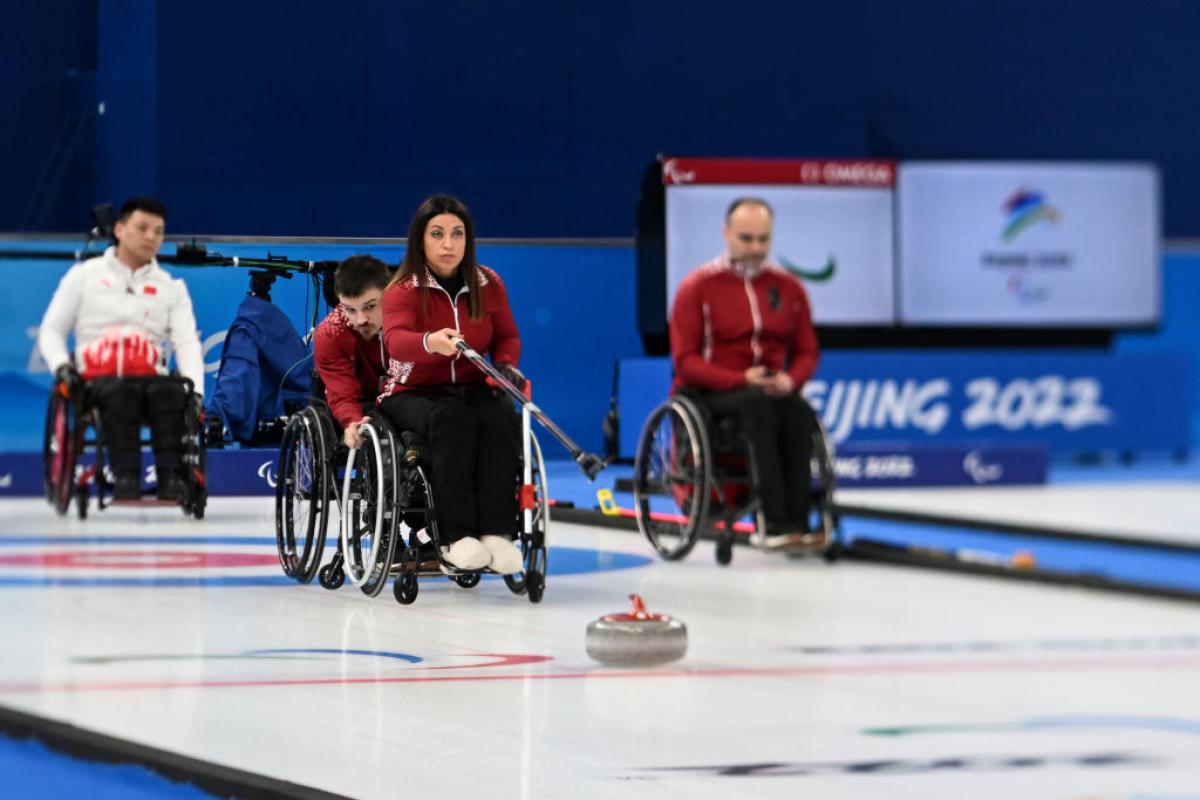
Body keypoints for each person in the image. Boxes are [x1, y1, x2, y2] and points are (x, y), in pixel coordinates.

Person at [378, 195, 525, 574]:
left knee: (499, 415)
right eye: (438, 234)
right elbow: (395, 340)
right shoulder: (402, 289)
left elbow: (507, 336)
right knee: (453, 418)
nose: (448, 244)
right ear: (420, 240)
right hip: (412, 392)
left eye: (457, 234)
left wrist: (506, 365)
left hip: (472, 387)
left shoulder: (488, 283)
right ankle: (454, 538)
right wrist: (429, 342)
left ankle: (497, 533)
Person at [669, 196, 820, 549]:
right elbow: (686, 360)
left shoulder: (789, 287)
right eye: (746, 238)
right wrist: (741, 379)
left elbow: (807, 350)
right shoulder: (697, 287)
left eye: (763, 239)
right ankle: (774, 522)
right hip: (711, 393)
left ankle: (800, 523)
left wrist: (791, 380)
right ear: (726, 233)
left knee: (799, 412)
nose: (756, 248)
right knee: (758, 408)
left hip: (768, 390)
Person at [38, 196, 203, 502]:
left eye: (158, 231)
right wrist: (61, 367)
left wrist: (197, 392)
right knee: (120, 391)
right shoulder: (84, 276)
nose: (150, 237)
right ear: (119, 229)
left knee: (170, 391)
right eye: (142, 228)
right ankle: (126, 478)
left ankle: (171, 478)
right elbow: (51, 330)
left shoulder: (171, 287)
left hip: (151, 379)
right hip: (98, 382)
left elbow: (186, 342)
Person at [312, 255, 390, 449]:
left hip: (399, 399)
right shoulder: (329, 334)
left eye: (369, 307)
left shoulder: (409, 319)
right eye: (350, 310)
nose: (360, 320)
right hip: (357, 401)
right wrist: (352, 422)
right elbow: (342, 395)